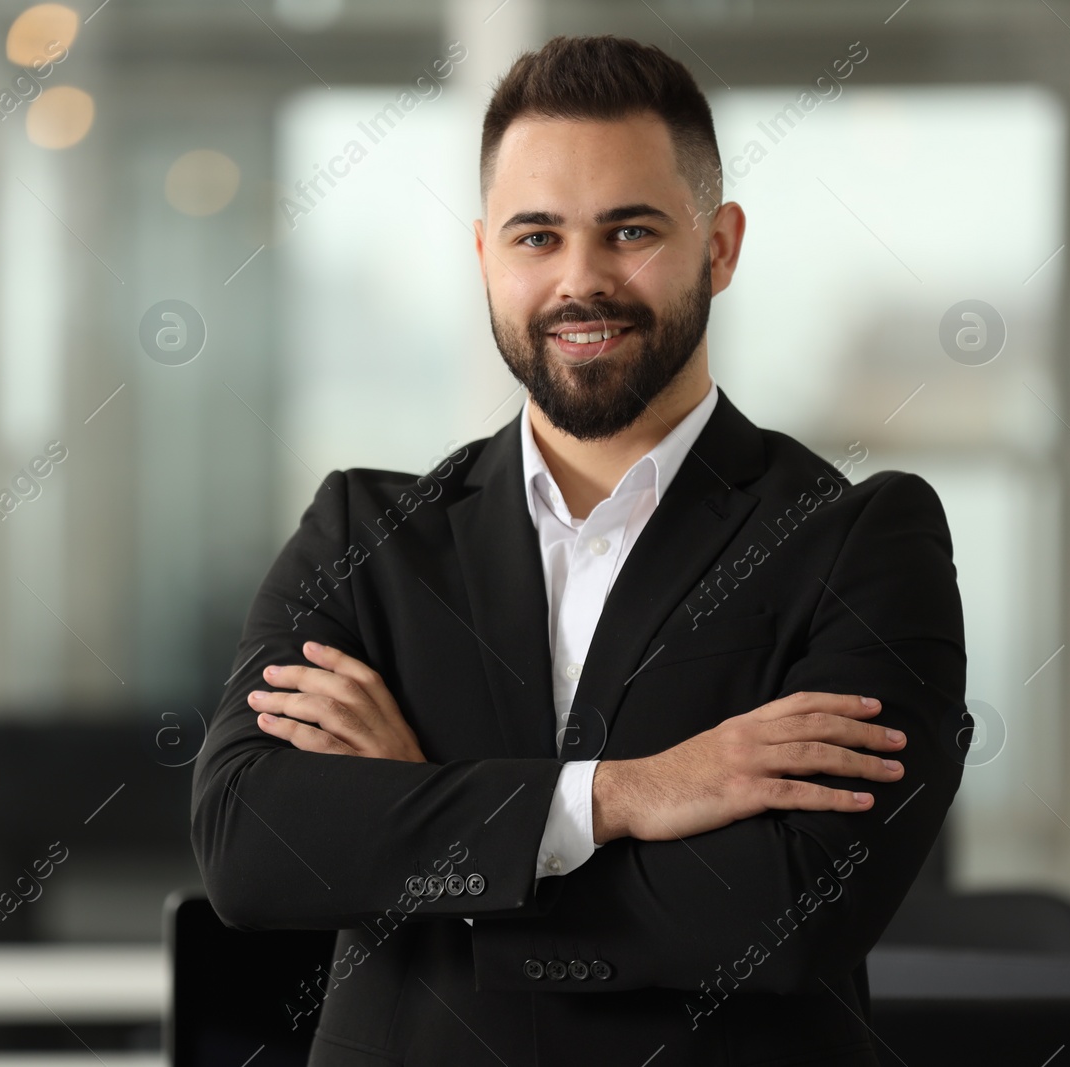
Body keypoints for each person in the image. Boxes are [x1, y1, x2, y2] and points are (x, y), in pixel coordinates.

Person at [191, 34, 965, 1066]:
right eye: (535, 237)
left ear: (720, 245)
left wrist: (428, 820)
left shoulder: (862, 541)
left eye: (629, 230)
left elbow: (782, 917)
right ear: (483, 256)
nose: (580, 280)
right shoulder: (364, 537)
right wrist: (626, 793)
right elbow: (250, 845)